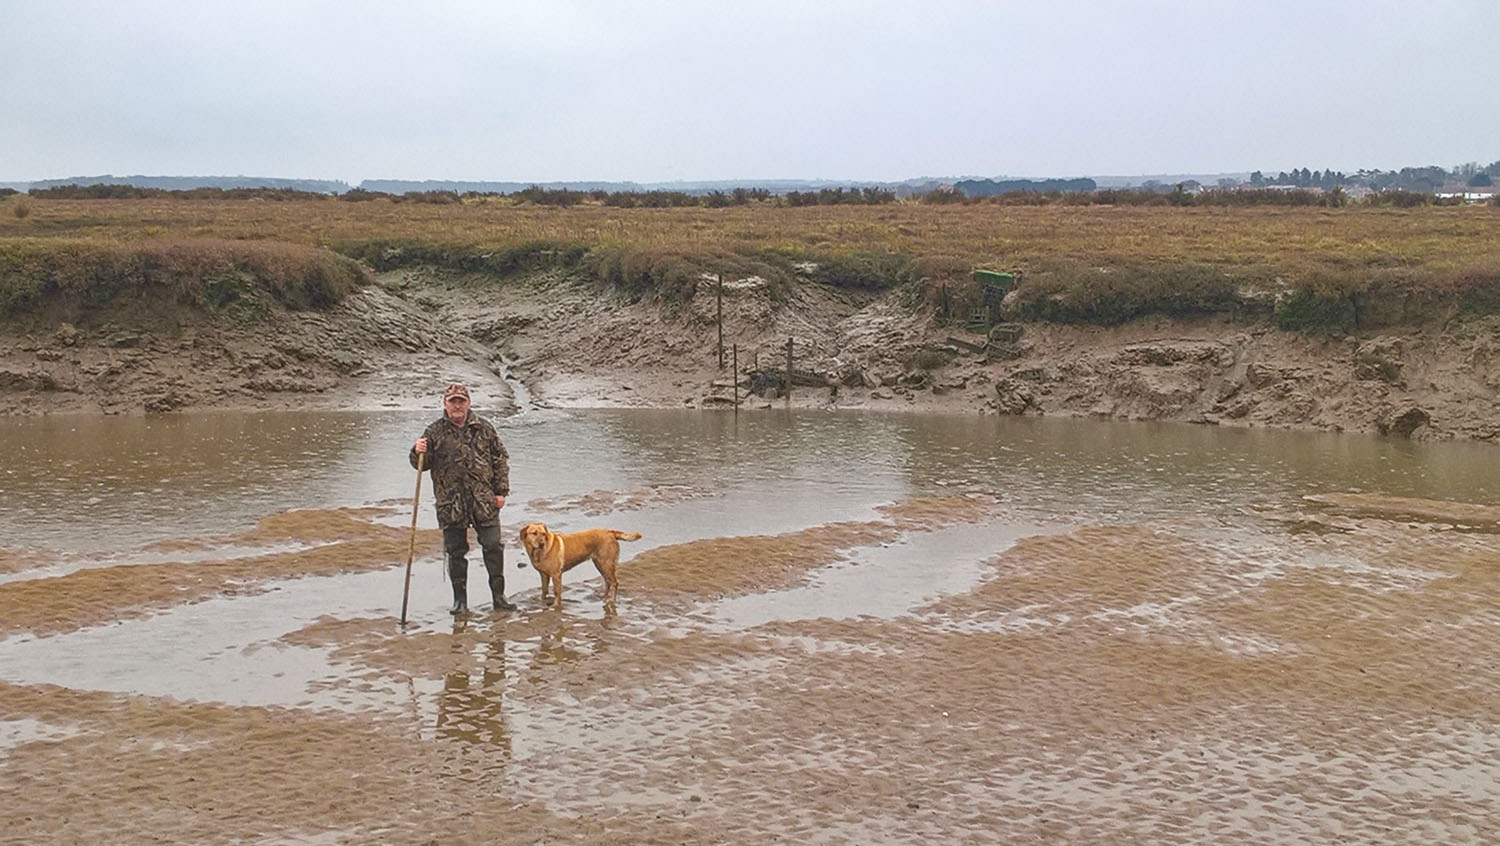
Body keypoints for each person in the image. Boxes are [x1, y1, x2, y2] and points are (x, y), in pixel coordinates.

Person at [410, 382, 516, 614]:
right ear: (445, 404)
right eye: (453, 401)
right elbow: (422, 466)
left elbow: (500, 460)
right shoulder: (433, 432)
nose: (457, 405)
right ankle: (460, 602)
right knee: (456, 552)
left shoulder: (484, 428)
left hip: (483, 500)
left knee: (493, 546)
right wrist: (416, 451)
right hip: (451, 503)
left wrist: (501, 492)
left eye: (461, 401)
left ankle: (499, 597)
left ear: (468, 403)